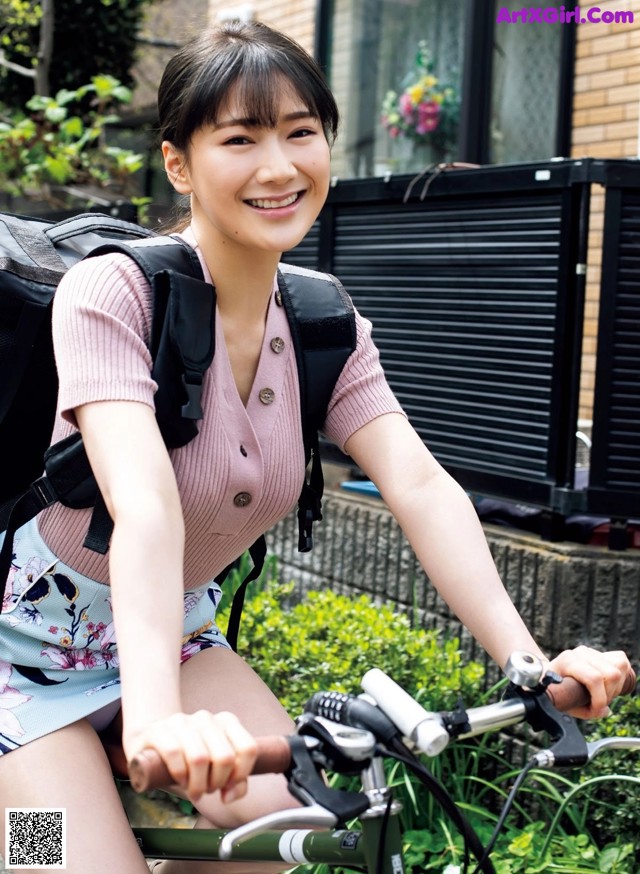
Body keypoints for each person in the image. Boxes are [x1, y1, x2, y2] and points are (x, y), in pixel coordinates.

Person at [0, 19, 632, 874]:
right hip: (17, 655)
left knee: (284, 836)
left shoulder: (325, 323)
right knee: (55, 863)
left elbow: (420, 485)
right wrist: (155, 723)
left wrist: (528, 666)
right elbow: (142, 505)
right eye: (240, 138)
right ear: (179, 163)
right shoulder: (109, 293)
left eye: (302, 133)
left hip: (173, 636)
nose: (278, 166)